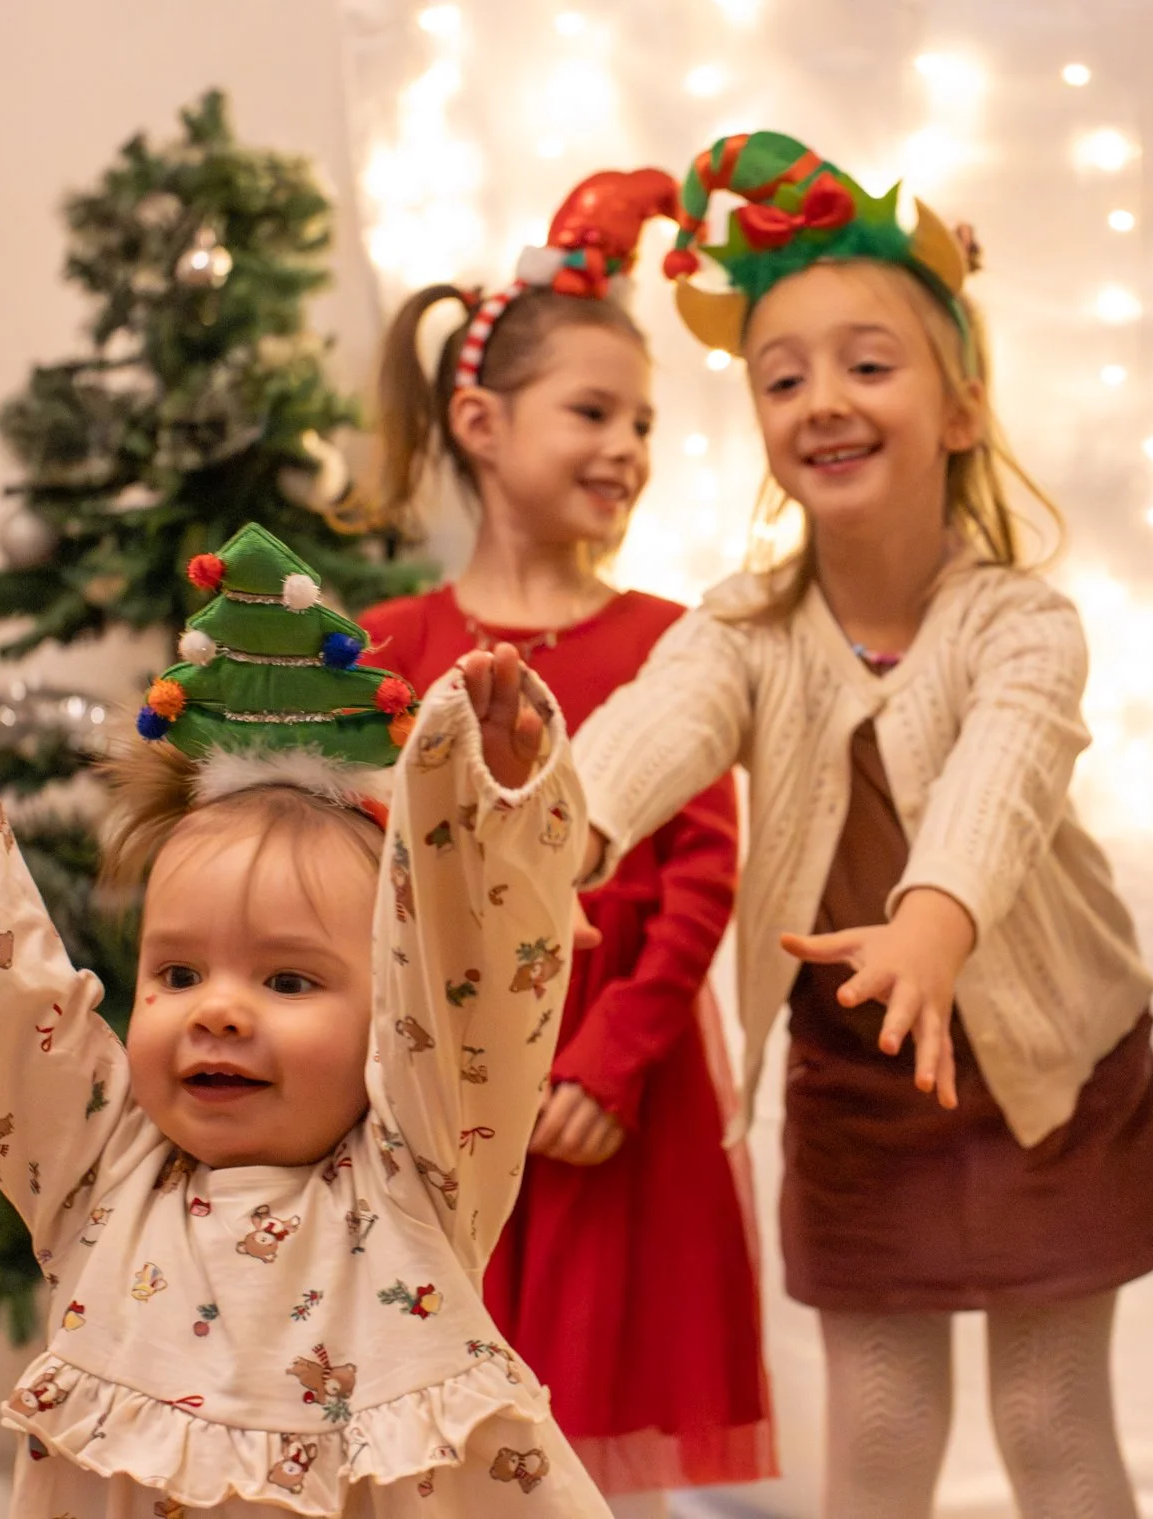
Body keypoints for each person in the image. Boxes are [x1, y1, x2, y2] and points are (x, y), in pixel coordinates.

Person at [573, 131, 1153, 1519]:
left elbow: (1004, 772)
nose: (822, 400)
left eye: (869, 362)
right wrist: (557, 835)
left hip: (1050, 1066)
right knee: (881, 1415)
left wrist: (933, 919)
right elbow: (652, 731)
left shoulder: (1023, 621)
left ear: (961, 407)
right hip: (864, 1078)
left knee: (1051, 1415)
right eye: (782, 376)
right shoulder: (743, 627)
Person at [0, 522, 608, 1516]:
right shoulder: (97, 1165)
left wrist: (492, 808)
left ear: (388, 1026)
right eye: (177, 972)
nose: (217, 1009)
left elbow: (475, 991)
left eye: (288, 982)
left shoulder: (420, 1176)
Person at [359, 166, 773, 1511]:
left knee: (596, 1443)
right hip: (439, 1096)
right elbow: (364, 880)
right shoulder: (388, 650)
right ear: (480, 420)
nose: (628, 447)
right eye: (593, 410)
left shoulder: (671, 642)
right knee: (441, 1425)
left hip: (603, 1100)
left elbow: (704, 870)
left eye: (643, 421)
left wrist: (613, 1056)